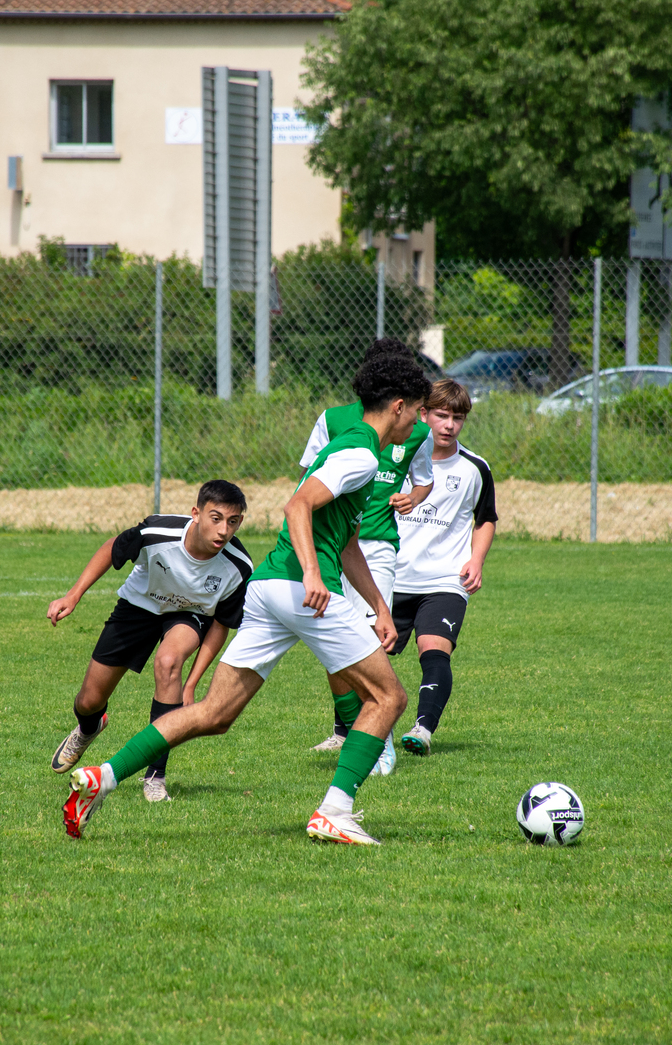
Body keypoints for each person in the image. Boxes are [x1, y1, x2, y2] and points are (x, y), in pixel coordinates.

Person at [62, 354, 433, 845]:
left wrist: (380, 608)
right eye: (419, 411)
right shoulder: (362, 454)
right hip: (302, 592)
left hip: (267, 590)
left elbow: (345, 543)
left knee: (215, 714)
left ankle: (103, 777)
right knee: (389, 697)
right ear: (399, 406)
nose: (421, 422)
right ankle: (335, 811)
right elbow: (297, 507)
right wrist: (311, 573)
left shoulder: (351, 446)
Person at [46, 480, 251, 802]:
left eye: (233, 521)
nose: (224, 530)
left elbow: (221, 626)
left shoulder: (238, 566)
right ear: (196, 513)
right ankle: (89, 727)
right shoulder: (158, 532)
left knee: (168, 663)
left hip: (190, 614)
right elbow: (112, 548)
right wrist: (73, 595)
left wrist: (191, 684)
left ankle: (156, 776)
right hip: (139, 605)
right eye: (216, 518)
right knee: (88, 701)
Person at [300, 339, 434, 774]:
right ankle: (351, 729)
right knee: (335, 638)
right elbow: (307, 482)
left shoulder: (418, 429)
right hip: (331, 543)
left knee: (368, 636)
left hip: (374, 545)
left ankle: (377, 735)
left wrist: (413, 497)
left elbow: (424, 479)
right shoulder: (334, 421)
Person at [389, 379, 498, 756]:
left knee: (434, 649)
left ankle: (422, 729)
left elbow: (486, 519)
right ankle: (344, 732)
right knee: (362, 656)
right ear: (422, 414)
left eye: (458, 418)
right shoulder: (394, 458)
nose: (450, 425)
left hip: (444, 580)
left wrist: (476, 560)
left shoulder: (474, 468)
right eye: (441, 415)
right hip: (389, 576)